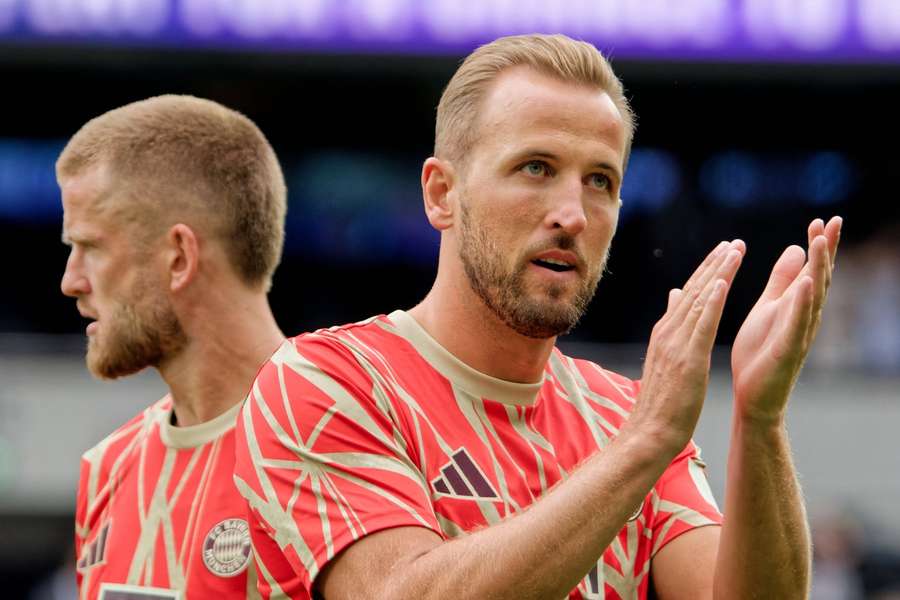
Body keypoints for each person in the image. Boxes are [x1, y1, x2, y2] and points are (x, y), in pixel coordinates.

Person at [234, 34, 841, 599]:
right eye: (536, 168)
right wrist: (643, 444)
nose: (572, 214)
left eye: (600, 180)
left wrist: (759, 420)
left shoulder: (628, 415)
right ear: (442, 193)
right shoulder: (325, 381)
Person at [59, 95, 286, 600]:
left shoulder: (340, 436)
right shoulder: (107, 468)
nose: (70, 281)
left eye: (90, 247)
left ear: (179, 257)